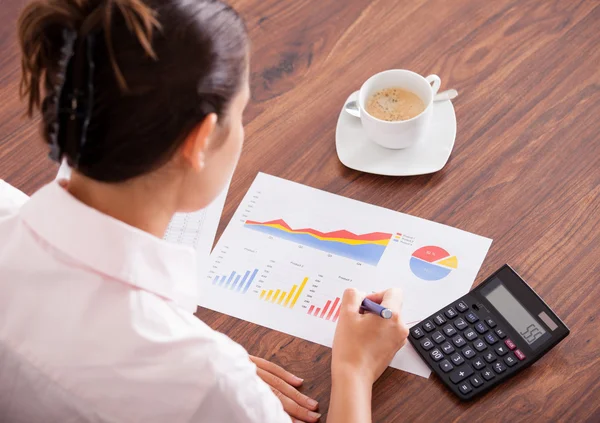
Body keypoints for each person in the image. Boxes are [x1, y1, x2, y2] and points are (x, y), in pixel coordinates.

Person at [0, 0, 409, 422]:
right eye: (241, 113)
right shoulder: (209, 381)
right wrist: (354, 369)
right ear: (200, 141)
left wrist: (187, 356)